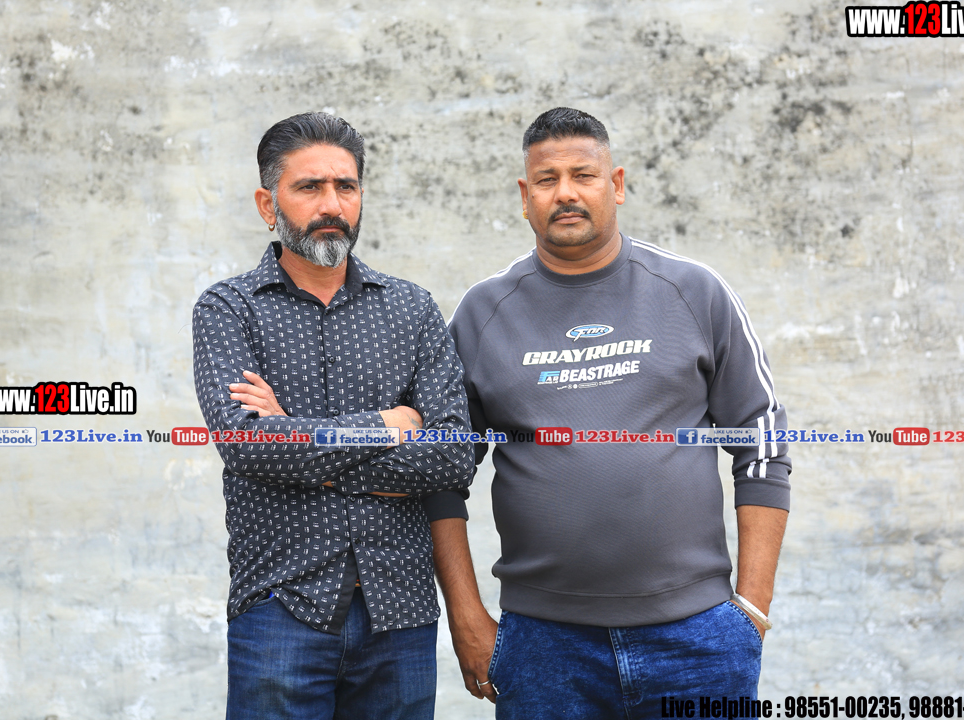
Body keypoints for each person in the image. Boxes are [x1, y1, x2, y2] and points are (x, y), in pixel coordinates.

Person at [429, 107, 792, 718]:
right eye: (546, 180)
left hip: (697, 637)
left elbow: (762, 446)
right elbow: (440, 476)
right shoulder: (483, 313)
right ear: (525, 196)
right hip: (544, 647)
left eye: (584, 175)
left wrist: (751, 608)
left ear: (616, 184)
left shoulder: (694, 292)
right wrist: (466, 616)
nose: (565, 193)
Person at [191, 111, 474, 720]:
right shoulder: (229, 310)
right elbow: (248, 446)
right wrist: (387, 426)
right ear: (268, 204)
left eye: (345, 186)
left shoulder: (411, 309)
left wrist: (299, 442)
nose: (331, 204)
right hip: (280, 606)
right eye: (309, 187)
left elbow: (454, 456)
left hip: (399, 612)